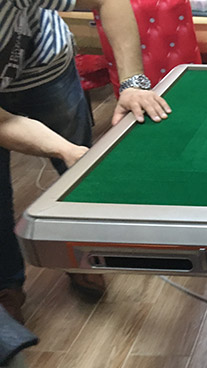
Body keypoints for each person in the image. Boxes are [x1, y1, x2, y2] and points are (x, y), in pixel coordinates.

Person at [0, 0, 172, 323]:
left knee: (79, 174)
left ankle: (82, 255)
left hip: (44, 68)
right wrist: (65, 150)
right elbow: (2, 123)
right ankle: (6, 286)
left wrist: (132, 84)